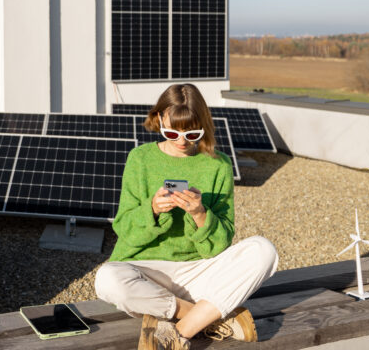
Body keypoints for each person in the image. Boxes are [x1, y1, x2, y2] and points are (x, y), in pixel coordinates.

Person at [94, 83, 278, 350]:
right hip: (147, 271)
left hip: (199, 270)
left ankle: (179, 333)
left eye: (192, 133)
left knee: (264, 251)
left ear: (203, 125)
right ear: (158, 120)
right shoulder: (140, 159)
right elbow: (124, 229)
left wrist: (200, 214)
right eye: (171, 132)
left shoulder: (218, 164)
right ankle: (209, 318)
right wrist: (153, 210)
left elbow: (220, 242)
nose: (182, 141)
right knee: (107, 279)